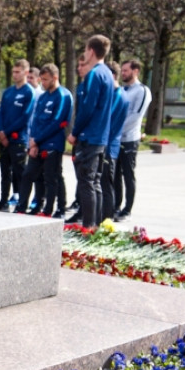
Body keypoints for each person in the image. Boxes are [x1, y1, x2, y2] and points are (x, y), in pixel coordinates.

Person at [68, 35, 118, 227]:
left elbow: (87, 108)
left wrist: (75, 131)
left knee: (86, 182)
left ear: (91, 51)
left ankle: (88, 226)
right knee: (95, 182)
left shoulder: (94, 75)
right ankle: (96, 225)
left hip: (90, 136)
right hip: (100, 136)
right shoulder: (106, 73)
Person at [19, 62, 72, 216]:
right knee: (29, 174)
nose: (42, 83)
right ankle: (25, 206)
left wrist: (38, 139)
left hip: (52, 144)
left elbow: (57, 121)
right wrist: (33, 141)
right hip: (38, 143)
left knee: (52, 177)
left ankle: (55, 209)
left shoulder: (63, 95)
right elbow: (35, 119)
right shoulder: (42, 97)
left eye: (46, 79)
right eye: (41, 79)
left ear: (55, 78)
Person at [0, 59, 34, 210]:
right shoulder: (8, 92)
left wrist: (8, 132)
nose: (14, 75)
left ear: (26, 72)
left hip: (18, 139)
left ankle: (22, 203)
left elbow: (25, 117)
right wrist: (1, 131)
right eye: (13, 72)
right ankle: (3, 201)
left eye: (18, 72)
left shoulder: (29, 92)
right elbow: (1, 112)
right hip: (4, 138)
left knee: (19, 172)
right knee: (5, 172)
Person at [113, 60, 150, 219]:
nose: (123, 73)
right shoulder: (122, 89)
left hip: (129, 138)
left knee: (128, 174)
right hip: (116, 138)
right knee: (115, 174)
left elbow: (136, 116)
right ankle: (116, 206)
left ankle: (127, 208)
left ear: (136, 71)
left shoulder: (142, 91)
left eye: (126, 70)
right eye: (122, 70)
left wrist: (117, 129)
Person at [99, 78, 129, 220]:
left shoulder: (118, 95)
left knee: (106, 184)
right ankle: (102, 215)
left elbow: (107, 119)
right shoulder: (114, 94)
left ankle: (107, 218)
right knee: (103, 183)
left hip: (109, 146)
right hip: (107, 144)